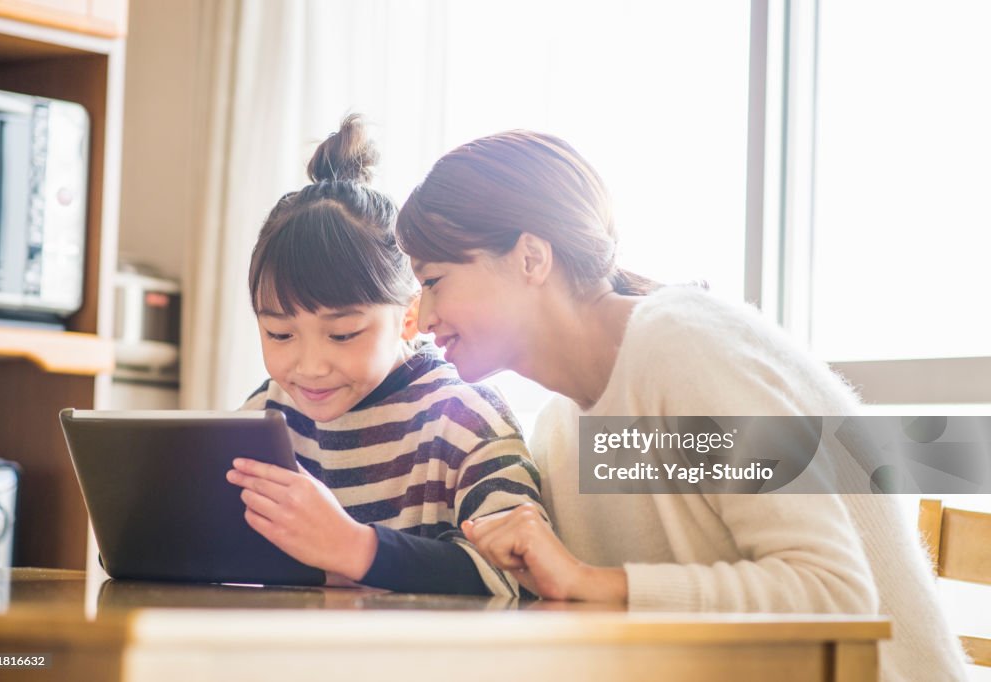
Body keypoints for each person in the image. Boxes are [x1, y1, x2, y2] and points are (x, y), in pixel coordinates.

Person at [394, 130, 966, 680]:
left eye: (435, 280)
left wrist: (596, 582)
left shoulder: (682, 346)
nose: (420, 315)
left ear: (531, 259)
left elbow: (833, 595)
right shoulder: (562, 431)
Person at [225, 115, 544, 597]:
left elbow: (523, 577)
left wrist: (356, 549)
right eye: (279, 334)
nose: (309, 366)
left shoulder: (463, 421)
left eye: (343, 334)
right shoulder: (265, 418)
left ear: (409, 316)